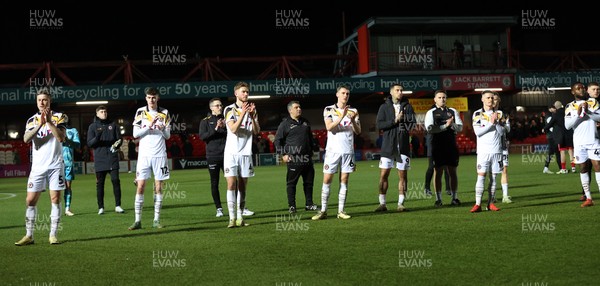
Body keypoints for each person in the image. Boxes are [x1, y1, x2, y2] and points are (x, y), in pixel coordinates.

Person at [15, 89, 66, 246]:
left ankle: (53, 235)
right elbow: (25, 139)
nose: (42, 102)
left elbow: (61, 137)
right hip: (37, 167)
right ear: (37, 102)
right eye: (39, 100)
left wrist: (49, 122)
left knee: (55, 199)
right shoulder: (31, 120)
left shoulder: (60, 117)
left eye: (45, 99)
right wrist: (40, 125)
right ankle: (29, 235)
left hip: (55, 165)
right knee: (30, 201)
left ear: (49, 101)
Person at [312, 85, 361, 220]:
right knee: (327, 179)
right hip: (333, 151)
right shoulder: (329, 109)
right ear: (337, 94)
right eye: (343, 93)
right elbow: (329, 127)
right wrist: (342, 117)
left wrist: (352, 121)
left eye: (347, 93)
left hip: (348, 151)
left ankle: (341, 211)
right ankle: (323, 211)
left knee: (344, 180)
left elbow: (358, 131)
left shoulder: (354, 110)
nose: (346, 95)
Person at [128, 87, 171, 230]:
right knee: (140, 186)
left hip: (160, 155)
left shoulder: (164, 112)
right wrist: (150, 127)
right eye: (149, 97)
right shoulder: (140, 112)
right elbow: (135, 134)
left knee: (158, 187)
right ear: (146, 98)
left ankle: (156, 220)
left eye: (154, 97)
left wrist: (163, 128)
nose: (151, 100)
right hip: (144, 155)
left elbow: (168, 136)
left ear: (157, 98)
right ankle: (137, 221)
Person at [372, 83, 414, 213]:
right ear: (391, 92)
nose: (400, 92)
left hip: (403, 146)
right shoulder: (384, 107)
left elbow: (412, 124)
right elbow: (379, 124)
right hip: (388, 146)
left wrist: (403, 123)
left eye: (401, 90)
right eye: (397, 90)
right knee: (384, 174)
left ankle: (401, 204)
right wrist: (394, 121)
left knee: (403, 175)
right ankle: (382, 204)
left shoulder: (408, 107)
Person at [223, 82, 260, 228]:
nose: (246, 94)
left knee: (243, 186)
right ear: (236, 93)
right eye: (243, 91)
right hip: (231, 153)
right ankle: (231, 218)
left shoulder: (253, 110)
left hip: (246, 153)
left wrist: (251, 115)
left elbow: (256, 131)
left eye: (247, 92)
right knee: (231, 184)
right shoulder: (229, 109)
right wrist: (243, 113)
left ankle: (240, 217)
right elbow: (233, 129)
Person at [274, 100, 320, 214]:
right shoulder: (284, 124)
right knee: (291, 183)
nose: (299, 109)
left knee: (309, 183)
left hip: (307, 158)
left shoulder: (305, 122)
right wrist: (283, 154)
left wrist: (313, 149)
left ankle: (309, 204)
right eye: (296, 107)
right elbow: (277, 141)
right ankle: (292, 206)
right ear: (290, 110)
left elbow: (310, 138)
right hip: (294, 159)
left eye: (299, 107)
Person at [424, 90, 463, 207]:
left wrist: (452, 125)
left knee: (453, 171)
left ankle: (455, 197)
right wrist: (446, 126)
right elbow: (430, 129)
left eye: (444, 97)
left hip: (451, 145)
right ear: (435, 99)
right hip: (437, 146)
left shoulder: (453, 111)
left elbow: (460, 127)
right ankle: (438, 199)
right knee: (438, 172)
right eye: (439, 97)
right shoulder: (431, 112)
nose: (442, 99)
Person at [564, 82, 599, 208]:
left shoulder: (593, 102)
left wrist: (588, 112)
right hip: (579, 143)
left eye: (583, 88)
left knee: (597, 166)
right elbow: (567, 126)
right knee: (583, 168)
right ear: (573, 92)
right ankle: (589, 198)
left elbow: (599, 118)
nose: (581, 90)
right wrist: (579, 115)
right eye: (578, 88)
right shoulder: (570, 106)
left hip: (593, 140)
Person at [470, 90, 504, 213]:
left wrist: (498, 123)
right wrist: (491, 123)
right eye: (487, 98)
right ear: (482, 99)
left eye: (491, 98)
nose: (490, 100)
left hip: (496, 151)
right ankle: (477, 204)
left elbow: (502, 132)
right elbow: (478, 132)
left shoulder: (499, 113)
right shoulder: (477, 114)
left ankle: (490, 203)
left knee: (494, 178)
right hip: (483, 151)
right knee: (481, 176)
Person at [87, 105, 125, 215]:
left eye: (105, 111)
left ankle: (118, 206)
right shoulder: (92, 127)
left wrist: (117, 144)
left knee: (115, 181)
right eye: (102, 111)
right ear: (97, 114)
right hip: (99, 159)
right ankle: (101, 207)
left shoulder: (113, 125)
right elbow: (90, 143)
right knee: (100, 183)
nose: (104, 113)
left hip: (112, 157)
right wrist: (97, 137)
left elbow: (119, 139)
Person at [199, 98, 227, 217]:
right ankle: (219, 208)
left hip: (227, 155)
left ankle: (239, 207)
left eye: (220, 105)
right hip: (213, 156)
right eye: (217, 105)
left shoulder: (227, 120)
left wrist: (226, 127)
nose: (220, 107)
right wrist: (216, 128)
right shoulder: (205, 122)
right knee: (215, 183)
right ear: (211, 108)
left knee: (232, 182)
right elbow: (202, 137)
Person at [580, 82, 600, 201]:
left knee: (596, 166)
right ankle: (585, 194)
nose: (596, 91)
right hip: (589, 139)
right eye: (594, 89)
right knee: (586, 166)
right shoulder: (584, 104)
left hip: (596, 137)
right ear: (588, 90)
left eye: (598, 89)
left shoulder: (595, 103)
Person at [492, 92, 512, 204]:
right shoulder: (485, 113)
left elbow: (508, 129)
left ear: (499, 101)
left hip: (502, 146)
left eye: (496, 99)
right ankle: (493, 195)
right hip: (491, 147)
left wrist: (502, 124)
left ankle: (505, 196)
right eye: (492, 99)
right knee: (493, 173)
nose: (493, 101)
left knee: (504, 169)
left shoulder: (502, 114)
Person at [549, 101, 575, 174]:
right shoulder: (567, 111)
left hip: (561, 136)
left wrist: (544, 128)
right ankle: (573, 167)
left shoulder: (556, 114)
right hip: (570, 134)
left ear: (555, 107)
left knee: (562, 152)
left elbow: (551, 123)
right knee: (571, 151)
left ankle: (563, 169)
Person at [62, 115, 80, 216]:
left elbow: (77, 145)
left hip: (68, 162)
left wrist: (68, 141)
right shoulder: (53, 130)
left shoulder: (73, 131)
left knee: (68, 186)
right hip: (55, 162)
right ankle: (56, 208)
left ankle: (67, 208)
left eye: (65, 117)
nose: (64, 118)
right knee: (55, 187)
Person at [542, 105, 561, 174]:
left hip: (551, 136)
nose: (555, 109)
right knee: (555, 152)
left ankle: (547, 167)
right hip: (552, 137)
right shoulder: (549, 116)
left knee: (554, 152)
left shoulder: (549, 115)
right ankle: (560, 168)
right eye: (553, 108)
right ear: (550, 109)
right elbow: (550, 126)